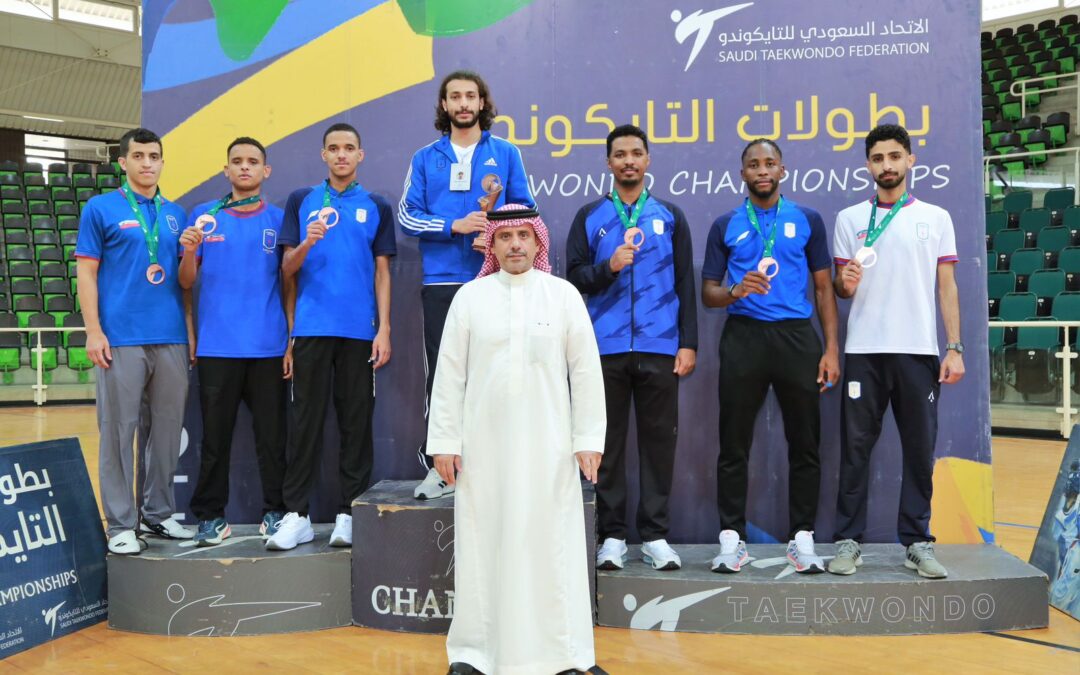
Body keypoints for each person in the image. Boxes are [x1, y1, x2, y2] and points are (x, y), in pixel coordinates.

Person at [427, 205, 604, 675]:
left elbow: (585, 371)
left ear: (538, 241)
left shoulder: (563, 296)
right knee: (483, 545)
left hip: (549, 447)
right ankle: (474, 654)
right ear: (493, 244)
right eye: (506, 238)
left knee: (553, 546)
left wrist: (588, 438)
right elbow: (449, 376)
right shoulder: (470, 297)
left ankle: (567, 656)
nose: (516, 245)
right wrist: (445, 441)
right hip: (483, 450)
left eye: (525, 236)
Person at [829, 124, 964, 579]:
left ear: (910, 160)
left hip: (919, 352)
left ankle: (918, 542)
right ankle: (848, 540)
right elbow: (839, 288)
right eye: (877, 158)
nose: (886, 165)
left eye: (894, 156)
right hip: (864, 351)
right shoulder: (849, 219)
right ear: (867, 165)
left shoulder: (936, 217)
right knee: (855, 452)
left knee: (919, 451)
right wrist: (843, 284)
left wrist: (954, 347)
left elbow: (947, 287)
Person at [701, 139, 839, 574]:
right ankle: (731, 539)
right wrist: (734, 291)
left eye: (770, 163)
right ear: (742, 173)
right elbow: (708, 293)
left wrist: (831, 348)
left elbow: (823, 289)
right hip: (743, 337)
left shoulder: (808, 220)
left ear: (783, 170)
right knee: (733, 443)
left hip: (798, 338)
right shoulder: (725, 224)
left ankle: (802, 539)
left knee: (805, 443)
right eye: (753, 164)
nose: (762, 170)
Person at [399, 70, 535, 500]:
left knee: (499, 370)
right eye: (454, 96)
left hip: (495, 278)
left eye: (470, 96)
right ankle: (440, 466)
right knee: (444, 374)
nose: (462, 104)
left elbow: (526, 209)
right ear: (444, 105)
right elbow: (407, 216)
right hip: (442, 281)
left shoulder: (506, 153)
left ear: (482, 103)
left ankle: (498, 462)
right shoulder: (425, 158)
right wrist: (452, 225)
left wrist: (495, 232)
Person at [566, 124, 697, 572]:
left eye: (636, 153)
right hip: (605, 348)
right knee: (610, 446)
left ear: (647, 160)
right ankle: (613, 536)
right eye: (619, 154)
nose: (628, 161)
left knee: (659, 444)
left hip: (661, 347)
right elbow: (574, 277)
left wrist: (689, 343)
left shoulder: (670, 215)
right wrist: (608, 267)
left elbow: (685, 282)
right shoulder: (589, 216)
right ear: (608, 163)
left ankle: (656, 536)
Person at [266, 122, 396, 551]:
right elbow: (287, 268)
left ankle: (349, 513)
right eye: (334, 148)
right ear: (323, 155)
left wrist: (385, 329)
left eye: (349, 148)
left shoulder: (376, 204)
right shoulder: (301, 201)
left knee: (355, 425)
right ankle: (297, 515)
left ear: (361, 155)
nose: (341, 155)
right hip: (312, 330)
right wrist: (306, 242)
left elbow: (382, 273)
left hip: (360, 333)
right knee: (304, 425)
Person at [75, 127, 193, 554]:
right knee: (118, 433)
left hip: (171, 338)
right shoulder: (100, 209)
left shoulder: (177, 213)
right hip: (120, 339)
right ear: (122, 162)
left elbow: (185, 283)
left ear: (162, 162)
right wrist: (94, 331)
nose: (148, 163)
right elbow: (86, 273)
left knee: (164, 435)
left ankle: (159, 516)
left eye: (155, 156)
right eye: (139, 156)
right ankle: (121, 524)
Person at [177, 137, 289, 547]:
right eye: (237, 162)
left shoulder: (279, 219)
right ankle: (210, 516)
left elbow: (289, 282)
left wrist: (290, 340)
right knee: (215, 440)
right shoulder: (203, 216)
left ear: (266, 171)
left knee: (273, 439)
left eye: (253, 162)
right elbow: (186, 282)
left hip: (268, 347)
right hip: (217, 348)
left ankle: (275, 511)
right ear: (226, 170)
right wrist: (189, 252)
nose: (245, 168)